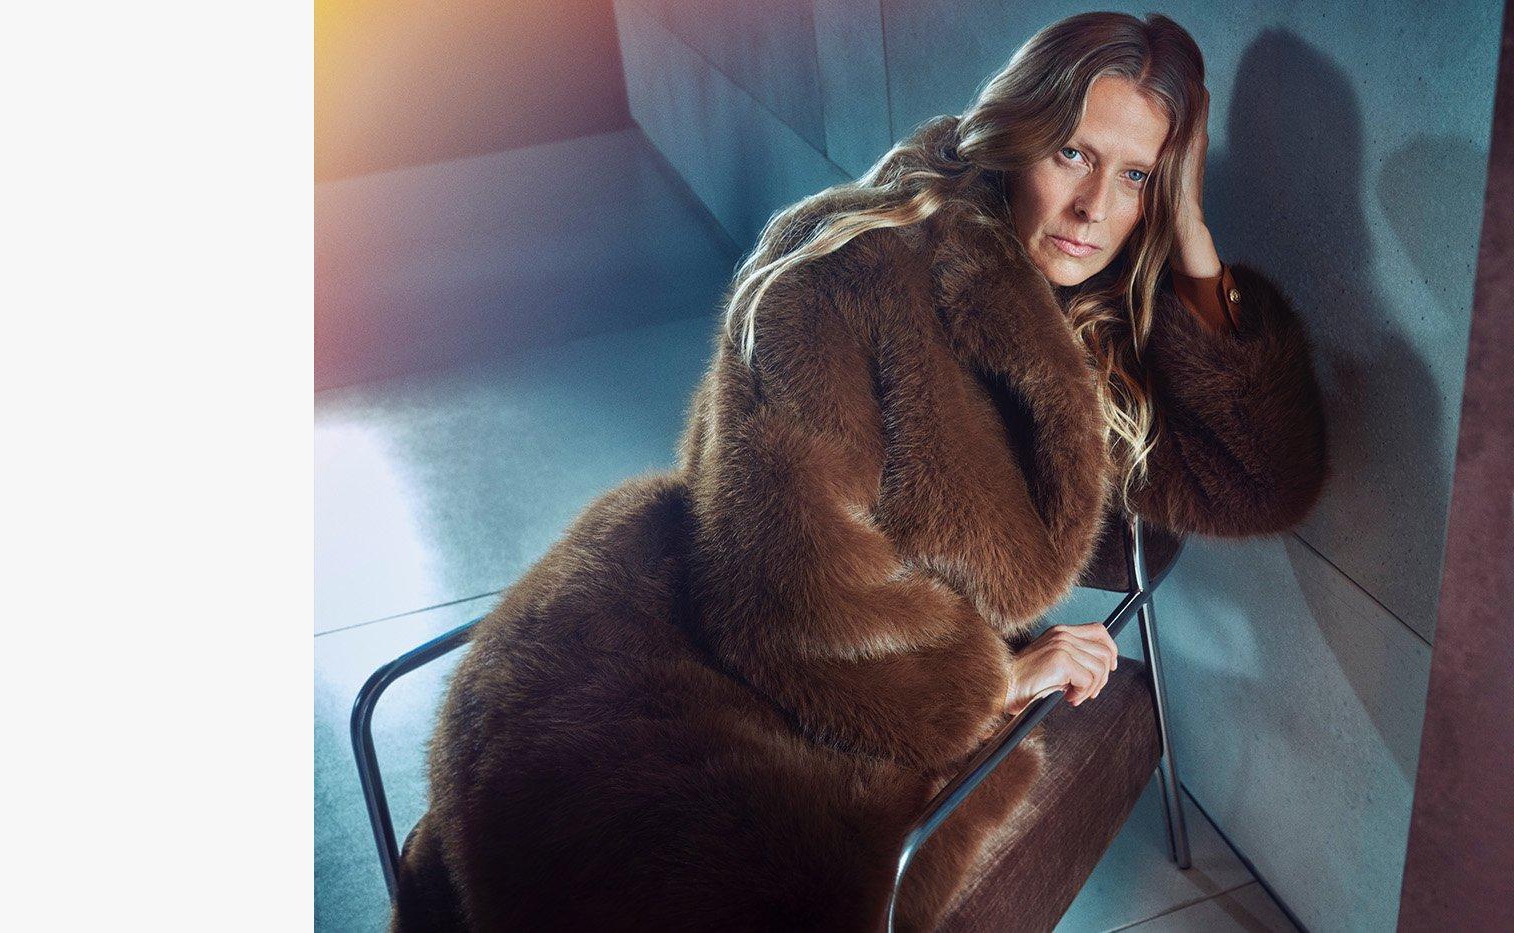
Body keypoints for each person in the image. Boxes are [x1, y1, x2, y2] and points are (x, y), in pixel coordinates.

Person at [388, 12, 1328, 932]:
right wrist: (995, 682)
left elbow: (1259, 479)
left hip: (850, 661)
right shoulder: (850, 268)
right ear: (1014, 135)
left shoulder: (1090, 307)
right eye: (1072, 153)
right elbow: (792, 588)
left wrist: (1192, 234)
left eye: (1135, 177)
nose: (1093, 208)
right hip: (697, 669)